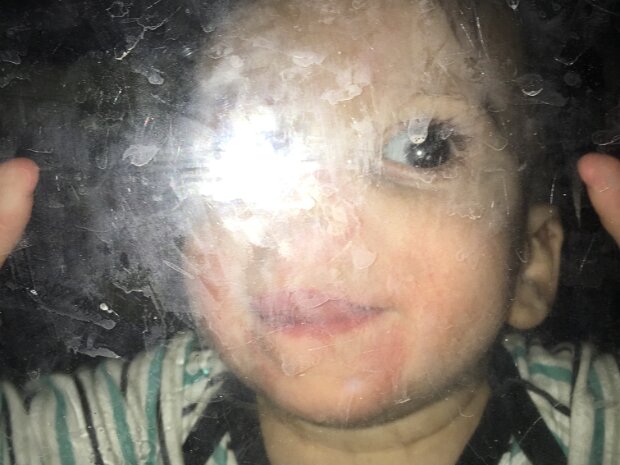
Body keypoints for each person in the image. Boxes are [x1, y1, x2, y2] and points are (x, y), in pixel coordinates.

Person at [0, 0, 619, 464]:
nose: (315, 222)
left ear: (530, 264)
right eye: (259, 146)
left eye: (423, 148)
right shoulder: (122, 425)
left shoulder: (599, 422)